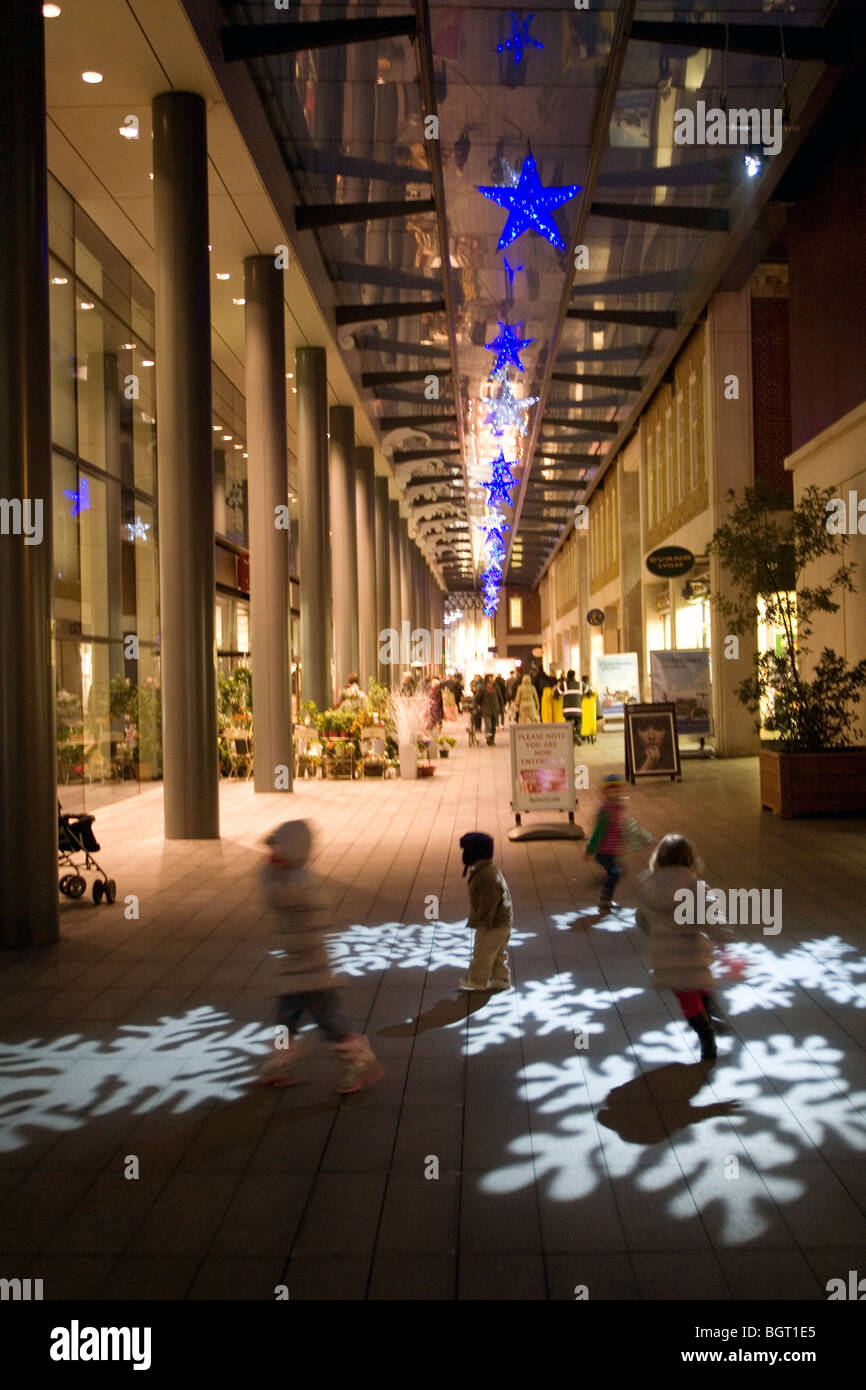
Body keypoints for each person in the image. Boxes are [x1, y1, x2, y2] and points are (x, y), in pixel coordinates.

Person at [258, 820, 384, 1093]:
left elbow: (276, 895)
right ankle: (280, 1063)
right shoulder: (288, 878)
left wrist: (267, 869)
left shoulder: (297, 882)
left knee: (330, 1023)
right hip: (295, 971)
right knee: (286, 1022)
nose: (271, 854)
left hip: (313, 974)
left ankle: (360, 1061)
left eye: (277, 848)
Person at [634, 834, 732, 1064]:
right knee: (698, 982)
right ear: (690, 860)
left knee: (686, 996)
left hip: (664, 953)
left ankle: (705, 1033)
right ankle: (710, 1015)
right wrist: (723, 937)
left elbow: (641, 918)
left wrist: (654, 933)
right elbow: (712, 915)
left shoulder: (647, 885)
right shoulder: (696, 887)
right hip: (693, 949)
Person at [584, 775, 650, 910]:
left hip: (610, 850)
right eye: (611, 791)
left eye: (618, 791)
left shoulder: (618, 807)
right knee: (615, 872)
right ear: (605, 793)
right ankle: (604, 898)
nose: (615, 794)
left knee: (616, 872)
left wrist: (627, 841)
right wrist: (590, 850)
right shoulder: (605, 810)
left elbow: (624, 827)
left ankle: (604, 888)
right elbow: (598, 832)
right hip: (602, 852)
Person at [457, 831, 513, 992]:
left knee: (483, 953)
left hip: (493, 924)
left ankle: (476, 981)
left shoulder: (486, 875)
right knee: (497, 953)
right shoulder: (487, 869)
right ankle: (501, 978)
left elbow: (489, 901)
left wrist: (483, 922)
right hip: (502, 921)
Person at [479, 673, 504, 744]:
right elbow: (478, 698)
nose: (492, 679)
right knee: (488, 725)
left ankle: (492, 739)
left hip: (495, 709)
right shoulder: (483, 688)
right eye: (491, 677)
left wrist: (502, 707)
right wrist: (476, 705)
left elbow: (500, 698)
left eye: (492, 678)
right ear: (487, 678)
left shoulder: (496, 687)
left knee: (494, 726)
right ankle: (488, 738)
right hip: (486, 709)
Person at [562, 669, 583, 742]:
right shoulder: (580, 684)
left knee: (568, 724)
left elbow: (556, 693)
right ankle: (578, 735)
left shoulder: (564, 684)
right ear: (574, 676)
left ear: (567, 676)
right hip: (577, 710)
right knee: (578, 722)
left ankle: (570, 739)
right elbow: (588, 691)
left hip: (567, 711)